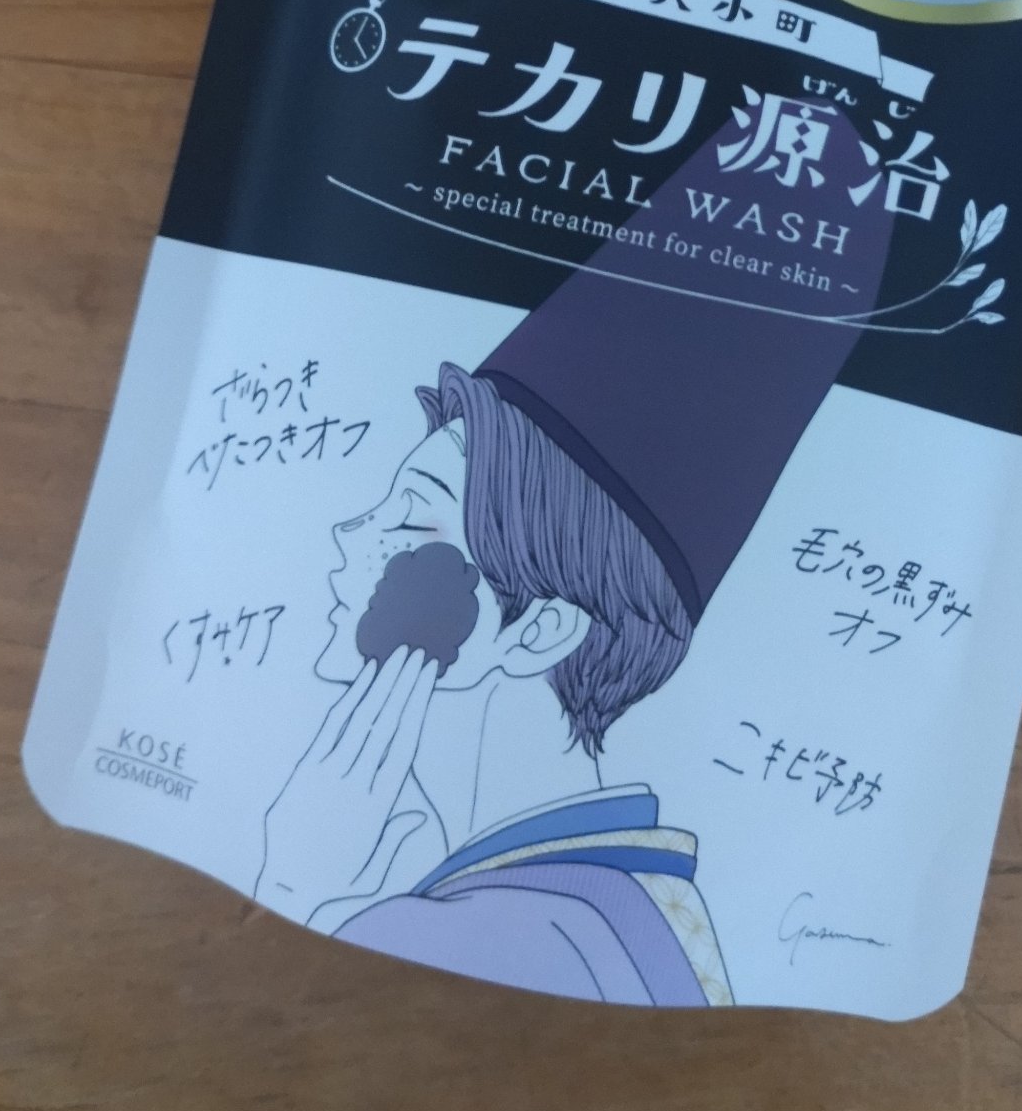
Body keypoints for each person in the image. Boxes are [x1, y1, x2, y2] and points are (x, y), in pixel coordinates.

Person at [255, 362, 734, 1007]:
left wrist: (293, 888)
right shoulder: (644, 895)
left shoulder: (465, 935)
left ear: (539, 630)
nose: (348, 533)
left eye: (410, 524)